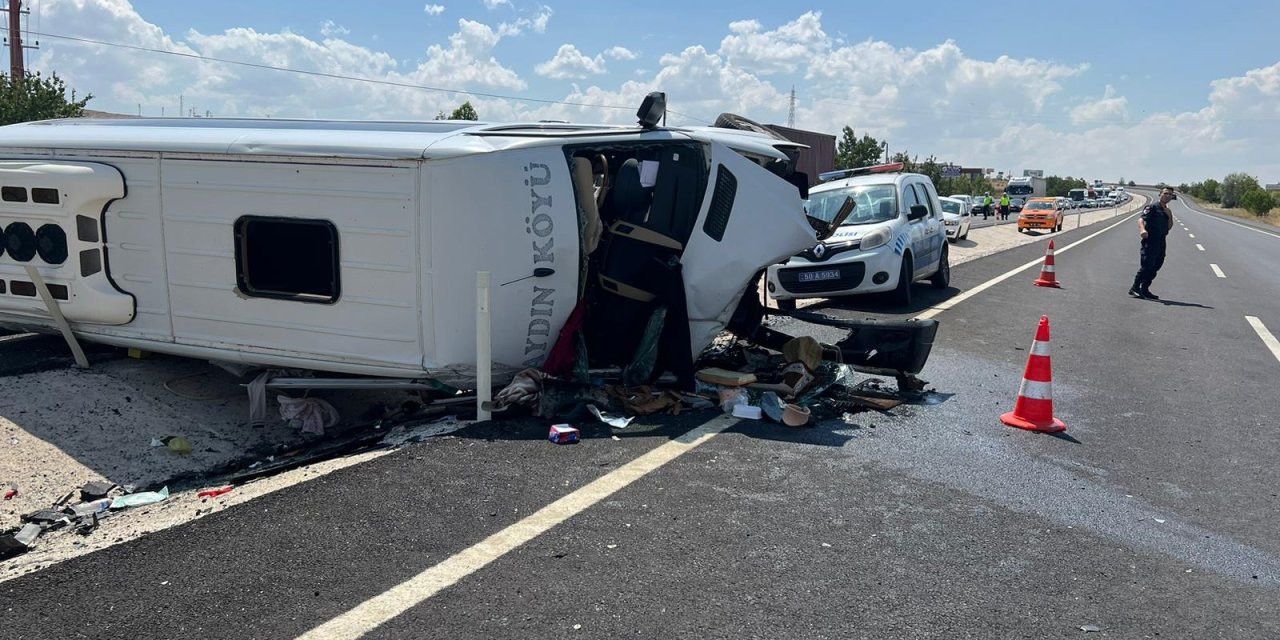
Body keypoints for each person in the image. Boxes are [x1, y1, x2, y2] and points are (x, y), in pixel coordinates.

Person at [1129, 188, 1175, 299]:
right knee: (1147, 265)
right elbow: (1140, 219)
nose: (1167, 196)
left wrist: (1170, 216)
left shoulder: (1167, 210)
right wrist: (1142, 230)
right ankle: (1135, 287)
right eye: (1165, 193)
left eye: (1170, 194)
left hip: (1161, 240)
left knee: (1156, 266)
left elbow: (1169, 227)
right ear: (1160, 194)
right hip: (1151, 240)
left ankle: (1145, 288)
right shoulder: (1152, 207)